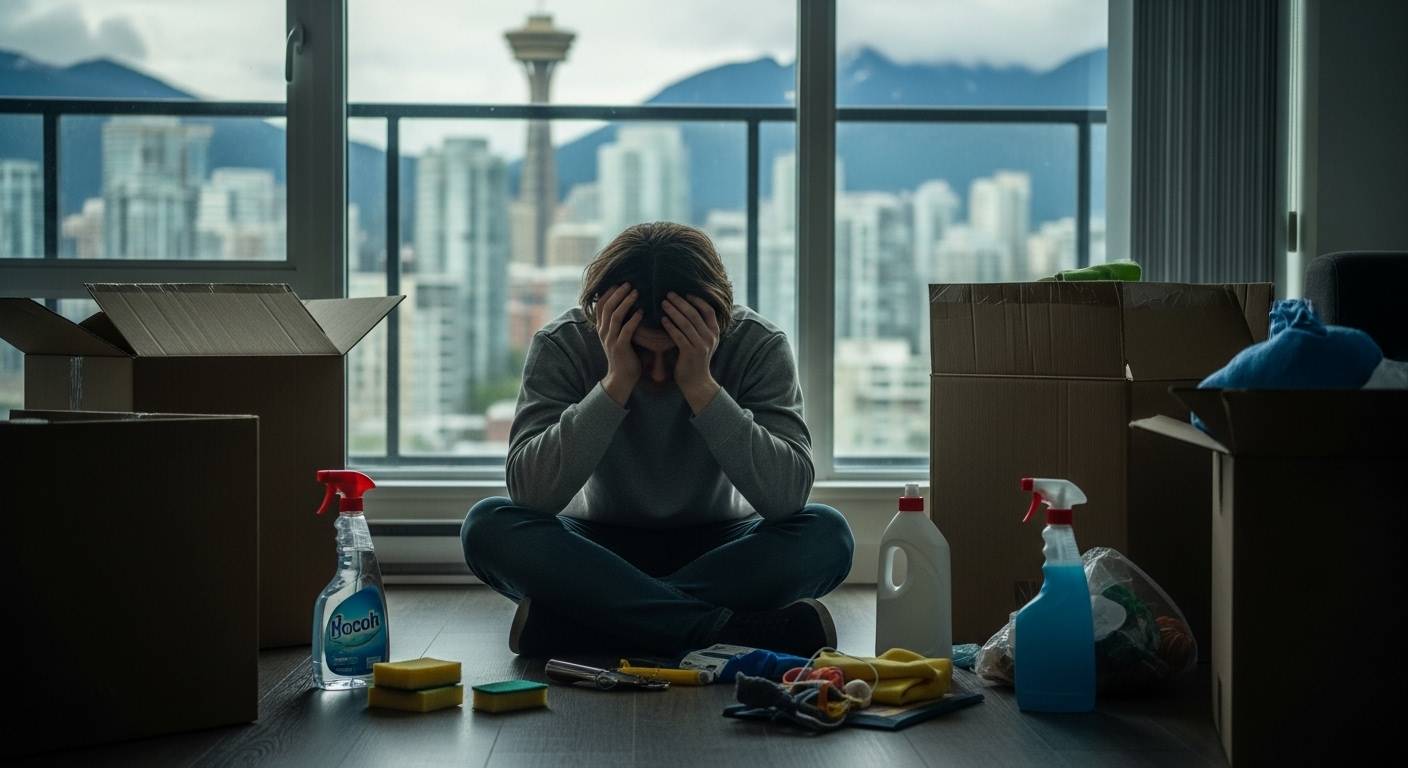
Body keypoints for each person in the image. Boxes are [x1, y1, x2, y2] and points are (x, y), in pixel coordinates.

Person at [461, 221, 854, 657]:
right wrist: (615, 380)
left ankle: (590, 628)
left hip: (722, 545)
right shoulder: (564, 344)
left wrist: (701, 383)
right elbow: (532, 494)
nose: (661, 374)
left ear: (717, 323)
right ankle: (726, 631)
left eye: (675, 353)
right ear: (601, 320)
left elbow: (787, 497)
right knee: (487, 525)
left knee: (827, 534)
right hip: (596, 550)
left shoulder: (757, 344)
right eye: (643, 353)